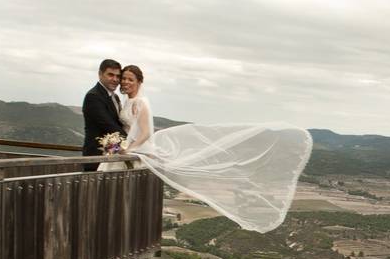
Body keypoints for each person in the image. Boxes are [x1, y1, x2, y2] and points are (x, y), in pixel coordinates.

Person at [95, 63, 313, 234]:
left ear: (139, 82)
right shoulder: (125, 101)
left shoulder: (142, 103)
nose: (124, 82)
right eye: (123, 78)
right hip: (130, 150)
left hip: (135, 150)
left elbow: (145, 133)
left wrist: (127, 149)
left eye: (129, 79)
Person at [81, 59, 125, 172]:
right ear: (100, 74)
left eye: (118, 76)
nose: (115, 79)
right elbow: (109, 126)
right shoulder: (93, 96)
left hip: (112, 156)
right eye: (110, 75)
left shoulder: (115, 97)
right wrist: (133, 142)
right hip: (96, 159)